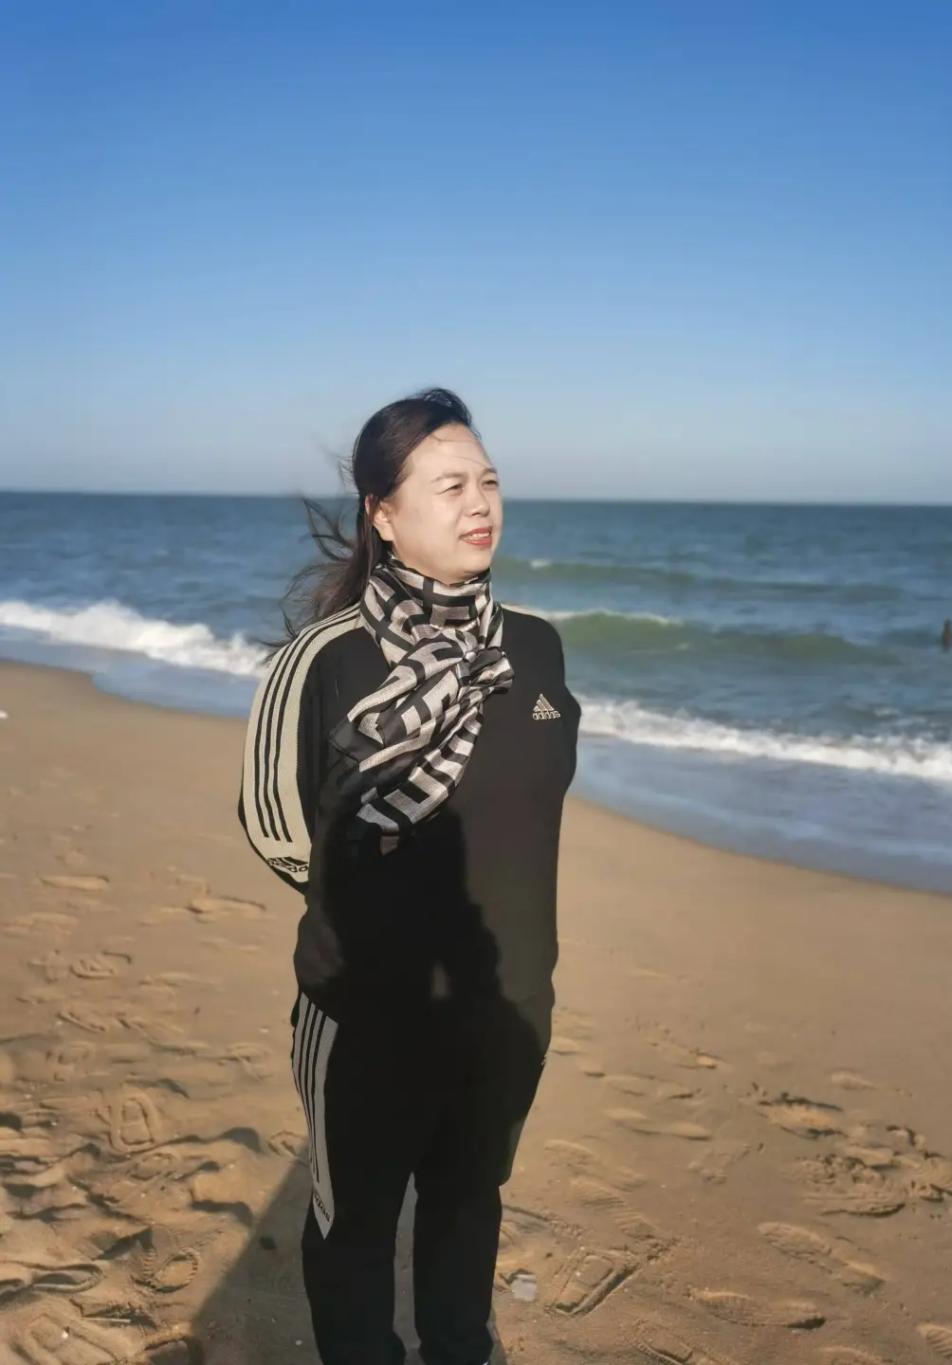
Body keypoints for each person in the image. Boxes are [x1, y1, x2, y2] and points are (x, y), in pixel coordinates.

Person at [237, 387, 582, 1365]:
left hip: (509, 1004)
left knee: (469, 1203)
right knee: (354, 1226)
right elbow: (272, 821)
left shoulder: (535, 646)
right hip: (365, 1015)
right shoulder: (326, 659)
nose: (480, 503)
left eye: (489, 481)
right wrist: (373, 922)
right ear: (383, 515)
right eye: (450, 485)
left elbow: (529, 819)